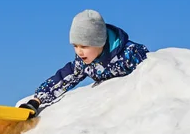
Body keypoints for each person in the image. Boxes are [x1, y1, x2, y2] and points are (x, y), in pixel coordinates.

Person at [19, 9, 148, 116]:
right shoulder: (83, 63)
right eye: (75, 46)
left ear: (99, 43)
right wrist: (36, 100)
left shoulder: (129, 54)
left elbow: (152, 71)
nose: (79, 52)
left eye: (84, 47)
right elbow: (63, 79)